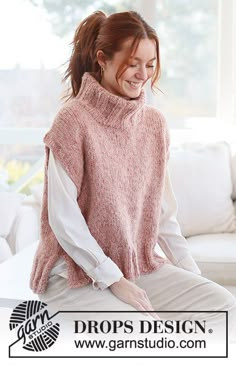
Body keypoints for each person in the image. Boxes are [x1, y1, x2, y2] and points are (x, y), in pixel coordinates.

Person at [30, 10, 236, 342]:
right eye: (132, 62)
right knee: (141, 335)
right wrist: (114, 279)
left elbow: (164, 217)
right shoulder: (73, 122)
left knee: (226, 309)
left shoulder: (154, 124)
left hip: (138, 267)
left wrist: (191, 275)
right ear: (102, 59)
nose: (142, 74)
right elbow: (64, 219)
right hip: (72, 274)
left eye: (150, 64)